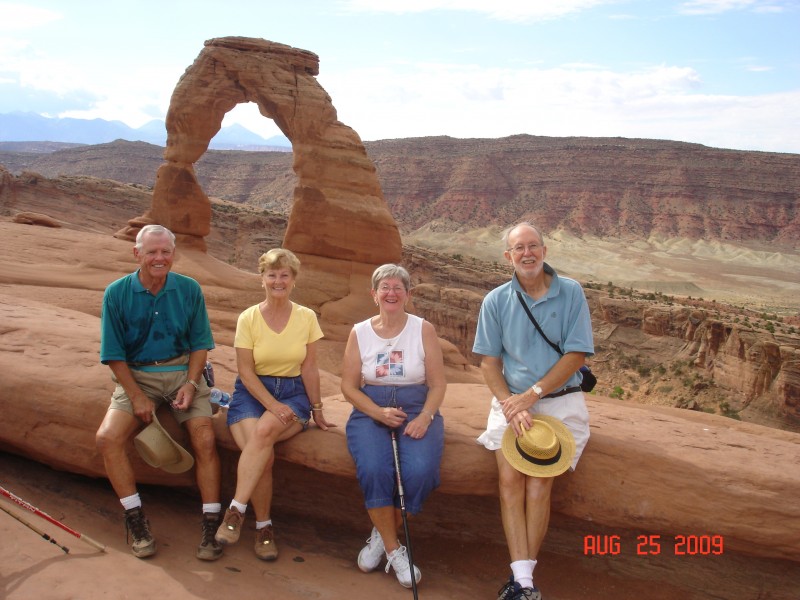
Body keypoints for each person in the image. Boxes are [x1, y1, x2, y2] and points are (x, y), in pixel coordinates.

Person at [473, 222, 594, 600]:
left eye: (533, 246)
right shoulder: (496, 300)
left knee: (541, 478)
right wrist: (513, 405)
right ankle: (524, 581)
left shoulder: (571, 292)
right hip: (511, 401)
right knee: (510, 479)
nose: (527, 254)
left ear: (545, 250)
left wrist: (533, 395)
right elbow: (489, 363)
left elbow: (577, 354)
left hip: (559, 400)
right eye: (518, 248)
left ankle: (521, 582)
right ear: (508, 257)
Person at [96, 224, 223, 560]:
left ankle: (212, 525)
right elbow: (113, 353)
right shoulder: (117, 293)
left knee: (205, 439)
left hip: (183, 371)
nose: (159, 258)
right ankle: (135, 519)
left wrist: (192, 383)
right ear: (137, 253)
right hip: (138, 376)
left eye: (165, 251)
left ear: (174, 254)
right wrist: (136, 395)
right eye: (151, 252)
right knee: (108, 438)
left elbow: (199, 345)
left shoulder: (189, 289)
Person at [214, 248, 333, 560]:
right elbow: (245, 370)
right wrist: (269, 402)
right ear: (262, 278)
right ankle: (264, 528)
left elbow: (309, 367)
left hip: (293, 392)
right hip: (252, 393)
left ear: (293, 280)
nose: (278, 281)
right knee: (262, 456)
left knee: (263, 433)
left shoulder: (306, 317)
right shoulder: (249, 318)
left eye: (285, 275)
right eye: (272, 274)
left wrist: (317, 409)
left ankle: (235, 512)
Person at [341, 264, 447, 589]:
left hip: (416, 407)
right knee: (374, 468)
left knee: (421, 470)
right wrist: (376, 412)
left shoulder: (422, 329)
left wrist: (426, 416)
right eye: (384, 287)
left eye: (397, 288)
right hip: (371, 408)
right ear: (374, 295)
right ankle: (393, 548)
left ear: (407, 295)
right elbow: (348, 386)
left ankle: (381, 533)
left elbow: (439, 384)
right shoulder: (359, 332)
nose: (391, 293)